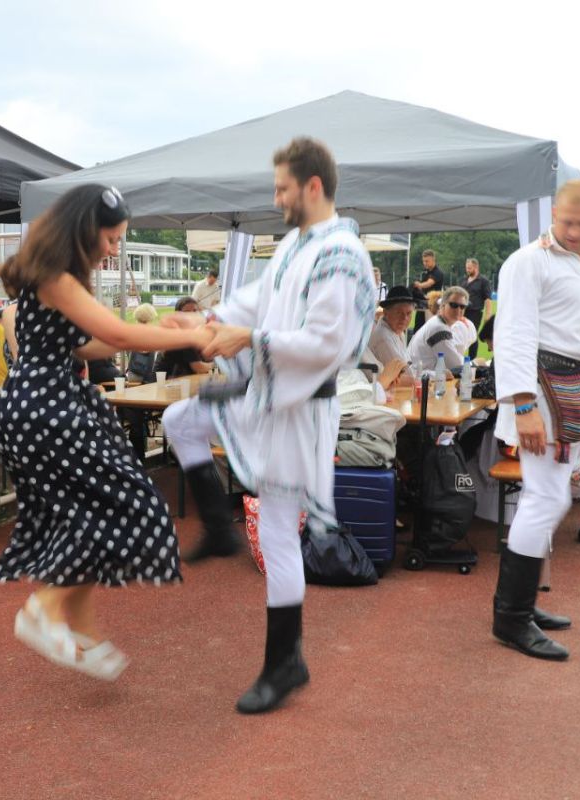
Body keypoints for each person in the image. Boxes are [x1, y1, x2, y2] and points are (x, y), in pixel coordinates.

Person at [162, 137, 375, 713]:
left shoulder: (342, 253)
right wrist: (205, 321)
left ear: (312, 186)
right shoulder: (295, 244)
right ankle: (218, 526)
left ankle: (284, 663)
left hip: (301, 408)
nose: (275, 198)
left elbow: (327, 343)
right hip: (270, 392)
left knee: (280, 533)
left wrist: (247, 339)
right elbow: (256, 301)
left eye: (282, 188)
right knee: (180, 419)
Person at [0, 183, 211, 682]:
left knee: (87, 515)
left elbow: (89, 345)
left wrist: (165, 330)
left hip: (42, 404)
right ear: (84, 231)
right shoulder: (55, 276)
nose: (113, 249)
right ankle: (42, 609)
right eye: (110, 239)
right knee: (131, 506)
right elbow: (116, 334)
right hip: (47, 407)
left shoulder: (57, 276)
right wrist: (195, 332)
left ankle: (84, 634)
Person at [490, 179, 580, 662]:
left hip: (576, 388)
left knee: (546, 499)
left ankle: (518, 607)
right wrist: (523, 406)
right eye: (567, 222)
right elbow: (513, 335)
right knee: (546, 499)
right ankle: (512, 617)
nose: (574, 232)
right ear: (553, 213)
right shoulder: (527, 262)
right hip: (541, 394)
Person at [407, 286, 473, 371]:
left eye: (462, 306)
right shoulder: (439, 328)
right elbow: (455, 365)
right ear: (443, 305)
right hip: (419, 376)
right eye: (454, 305)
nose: (458, 309)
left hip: (421, 373)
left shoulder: (437, 322)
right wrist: (474, 363)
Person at [368, 285, 415, 386]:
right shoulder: (383, 337)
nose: (404, 318)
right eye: (399, 313)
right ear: (386, 313)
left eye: (409, 313)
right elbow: (406, 375)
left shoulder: (398, 332)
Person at [155, 297, 213, 377]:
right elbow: (199, 367)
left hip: (181, 379)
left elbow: (207, 357)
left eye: (195, 311)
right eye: (187, 312)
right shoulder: (182, 335)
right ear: (178, 315)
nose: (192, 315)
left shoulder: (195, 333)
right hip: (164, 382)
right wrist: (217, 364)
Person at [461, 258, 493, 358]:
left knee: (472, 335)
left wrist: (487, 316)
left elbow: (488, 299)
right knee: (461, 334)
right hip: (462, 311)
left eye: (469, 268)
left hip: (475, 312)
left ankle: (472, 359)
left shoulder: (483, 281)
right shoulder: (464, 280)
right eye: (466, 268)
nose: (467, 270)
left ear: (476, 267)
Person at [411, 250, 445, 329]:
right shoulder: (426, 272)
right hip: (423, 303)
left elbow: (429, 283)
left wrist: (419, 285)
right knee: (418, 326)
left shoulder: (438, 272)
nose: (425, 263)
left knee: (429, 327)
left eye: (427, 261)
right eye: (423, 261)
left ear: (433, 260)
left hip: (432, 305)